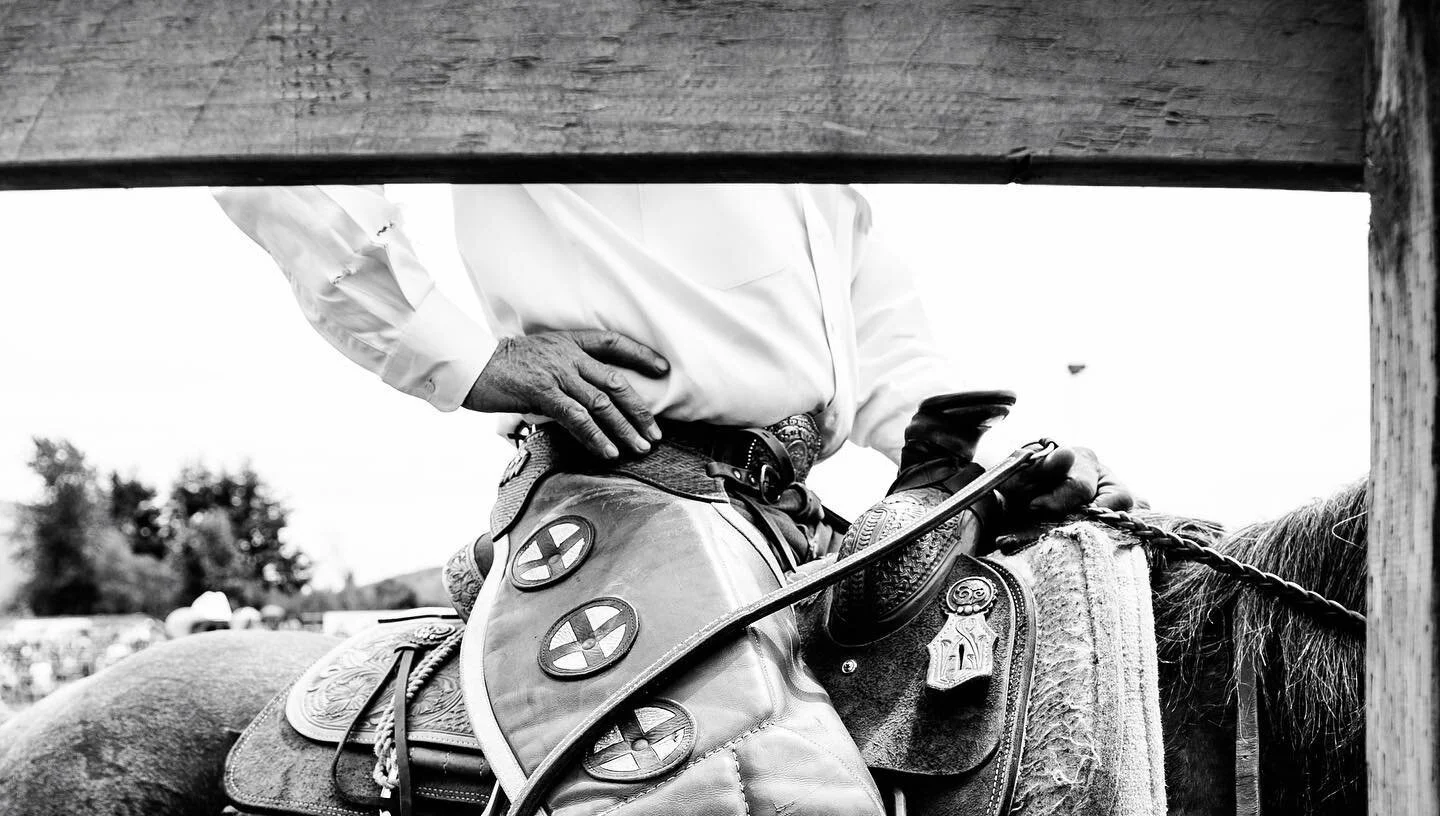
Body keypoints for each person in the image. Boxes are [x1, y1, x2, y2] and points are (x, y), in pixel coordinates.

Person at [214, 183, 1129, 543]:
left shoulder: (813, 51)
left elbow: (868, 324)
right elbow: (274, 105)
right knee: (752, 807)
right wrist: (455, 355)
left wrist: (972, 462)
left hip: (786, 517)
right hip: (630, 506)